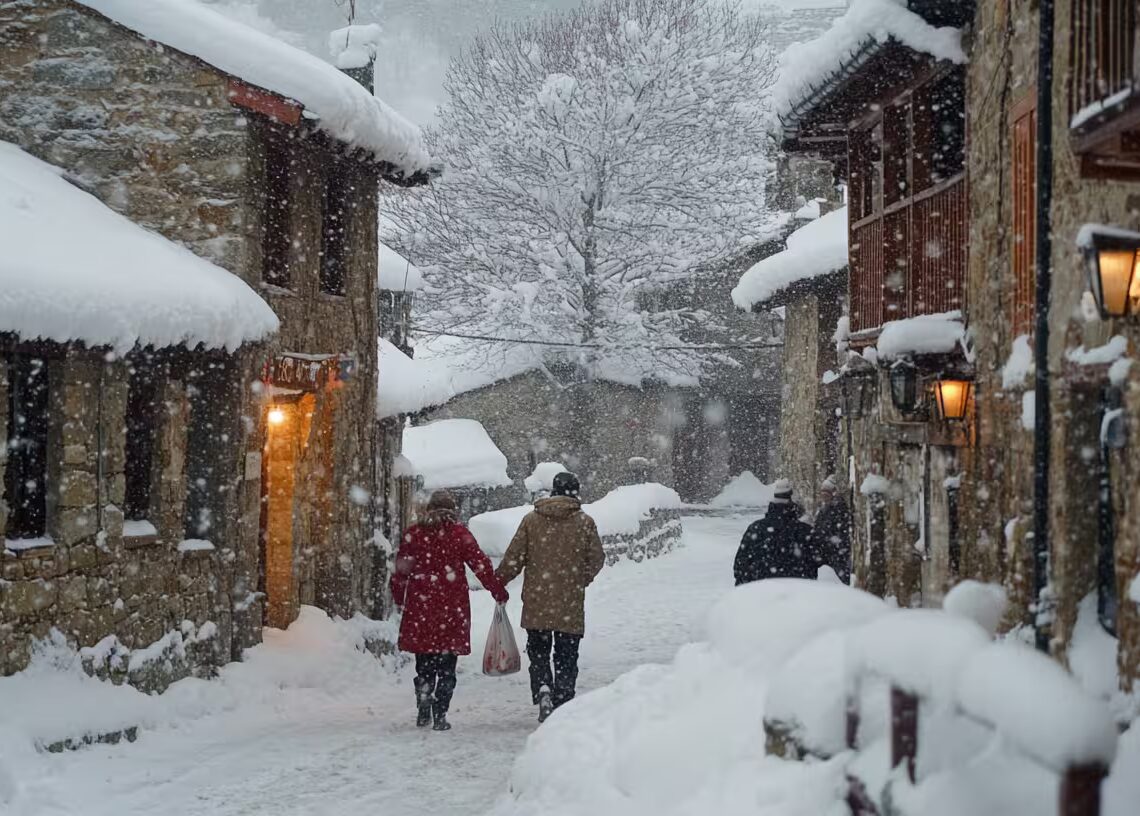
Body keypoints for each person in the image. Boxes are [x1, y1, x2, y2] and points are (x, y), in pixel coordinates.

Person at [390, 490, 508, 732]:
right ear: (453, 511)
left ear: (429, 509)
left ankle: (424, 704)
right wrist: (497, 590)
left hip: (421, 606)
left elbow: (400, 570)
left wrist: (399, 597)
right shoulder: (459, 535)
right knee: (447, 665)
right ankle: (441, 713)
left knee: (424, 661)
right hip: (451, 608)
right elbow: (480, 565)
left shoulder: (414, 534)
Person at [496, 471, 605, 722]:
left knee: (539, 652)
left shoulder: (531, 521)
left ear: (553, 491)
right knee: (567, 654)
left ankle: (543, 688)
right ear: (575, 492)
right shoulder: (584, 522)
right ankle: (564, 700)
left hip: (537, 600)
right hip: (569, 602)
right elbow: (597, 559)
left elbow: (514, 558)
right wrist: (579, 579)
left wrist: (498, 582)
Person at [734, 478, 817, 585]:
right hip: (797, 594)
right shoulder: (805, 532)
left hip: (759, 593)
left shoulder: (756, 529)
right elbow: (813, 565)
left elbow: (740, 565)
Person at [812, 475, 852, 584]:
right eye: (822, 493)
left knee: (838, 581)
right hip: (828, 553)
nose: (824, 496)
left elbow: (839, 533)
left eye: (827, 493)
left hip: (835, 555)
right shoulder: (824, 509)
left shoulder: (839, 509)